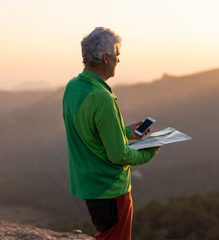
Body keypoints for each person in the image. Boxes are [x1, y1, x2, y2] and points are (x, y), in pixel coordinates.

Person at [62, 27, 160, 240]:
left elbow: (88, 132)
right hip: (110, 189)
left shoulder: (73, 87)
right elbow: (119, 155)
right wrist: (150, 151)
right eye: (117, 54)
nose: (119, 60)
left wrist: (124, 130)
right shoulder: (102, 97)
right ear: (106, 57)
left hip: (90, 186)